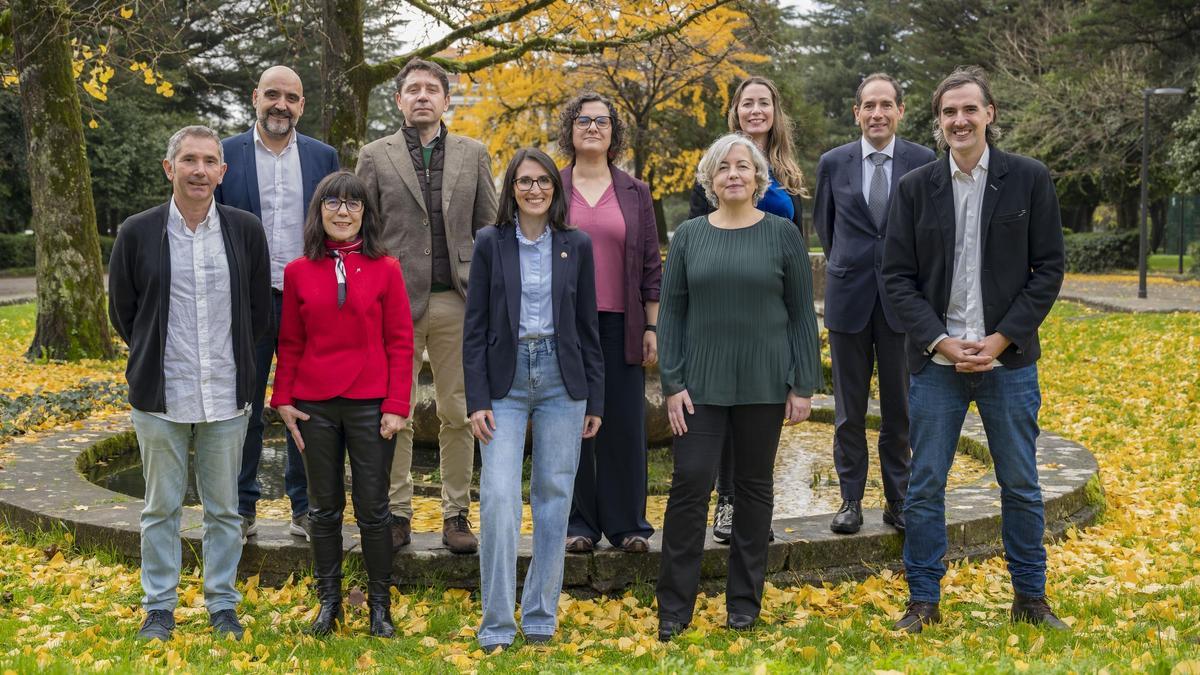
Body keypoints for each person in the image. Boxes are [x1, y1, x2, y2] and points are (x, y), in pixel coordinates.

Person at [882, 66, 1067, 633]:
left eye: (969, 109)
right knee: (925, 485)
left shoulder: (1028, 179)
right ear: (937, 123)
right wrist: (940, 340)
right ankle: (923, 602)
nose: (959, 120)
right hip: (937, 364)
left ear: (990, 114)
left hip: (1006, 361)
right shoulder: (915, 188)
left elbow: (1048, 269)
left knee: (1020, 482)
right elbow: (896, 278)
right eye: (948, 112)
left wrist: (1000, 337)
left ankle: (1031, 600)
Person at [108, 125, 271, 642]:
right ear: (169, 168)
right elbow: (124, 311)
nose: (199, 170)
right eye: (189, 160)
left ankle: (222, 603)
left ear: (223, 172)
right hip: (162, 393)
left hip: (226, 392)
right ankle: (159, 607)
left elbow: (258, 311)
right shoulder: (137, 231)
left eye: (210, 162)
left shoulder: (245, 230)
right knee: (161, 507)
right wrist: (153, 354)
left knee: (225, 509)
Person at [656, 134, 822, 642]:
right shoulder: (687, 236)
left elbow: (800, 314)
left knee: (753, 490)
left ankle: (744, 604)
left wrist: (803, 385)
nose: (733, 173)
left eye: (743, 166)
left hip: (764, 383)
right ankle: (674, 608)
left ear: (757, 178)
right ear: (710, 178)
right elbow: (672, 317)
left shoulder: (782, 234)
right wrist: (673, 383)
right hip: (700, 386)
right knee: (690, 485)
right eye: (723, 166)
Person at [463, 148, 604, 651]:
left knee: (553, 499)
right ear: (511, 189)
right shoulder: (489, 243)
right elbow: (474, 327)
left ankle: (540, 618)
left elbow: (588, 327)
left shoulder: (577, 244)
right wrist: (476, 397)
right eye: (524, 181)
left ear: (555, 188)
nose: (535, 189)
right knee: (500, 499)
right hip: (504, 380)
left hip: (562, 380)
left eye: (543, 180)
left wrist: (595, 399)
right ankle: (497, 624)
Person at [357, 58, 498, 555]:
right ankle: (397, 513)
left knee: (459, 411)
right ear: (398, 100)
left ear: (445, 99)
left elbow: (490, 230)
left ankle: (456, 514)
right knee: (395, 412)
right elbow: (363, 230)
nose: (422, 96)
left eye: (431, 89)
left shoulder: (473, 153)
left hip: (457, 302)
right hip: (392, 304)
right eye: (412, 89)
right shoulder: (374, 156)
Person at [270, 171, 414, 638]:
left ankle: (379, 606)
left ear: (365, 214)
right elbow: (290, 342)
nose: (343, 211)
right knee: (324, 510)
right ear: (319, 211)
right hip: (314, 406)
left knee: (374, 509)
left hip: (371, 403)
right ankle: (329, 603)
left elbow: (401, 341)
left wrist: (397, 404)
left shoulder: (386, 268)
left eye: (353, 204)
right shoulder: (297, 271)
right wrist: (283, 399)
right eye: (333, 202)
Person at [214, 65, 340, 543]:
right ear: (255, 98)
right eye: (272, 95)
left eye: (291, 97)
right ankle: (241, 508)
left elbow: (339, 222)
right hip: (245, 299)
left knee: (306, 406)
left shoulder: (323, 157)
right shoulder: (226, 155)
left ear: (302, 106)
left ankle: (304, 508)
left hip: (308, 298)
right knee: (242, 402)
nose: (281, 105)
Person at [813, 73, 936, 535]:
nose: (877, 113)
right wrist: (848, 265)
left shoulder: (923, 161)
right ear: (856, 112)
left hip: (902, 305)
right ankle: (849, 501)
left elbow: (929, 231)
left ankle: (897, 499)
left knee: (900, 409)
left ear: (901, 110)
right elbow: (827, 229)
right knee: (849, 411)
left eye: (887, 104)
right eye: (869, 105)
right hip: (849, 300)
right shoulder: (833, 162)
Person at [687, 76, 809, 544]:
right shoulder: (717, 165)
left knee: (760, 414)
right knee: (725, 404)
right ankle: (727, 507)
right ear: (735, 110)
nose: (755, 110)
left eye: (764, 103)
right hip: (723, 302)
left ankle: (756, 508)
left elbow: (799, 239)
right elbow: (701, 231)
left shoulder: (789, 173)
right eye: (747, 103)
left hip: (771, 301)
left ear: (775, 112)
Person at [556, 92, 662, 554]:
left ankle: (628, 526)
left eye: (602, 121)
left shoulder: (636, 192)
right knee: (573, 423)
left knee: (623, 425)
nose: (593, 127)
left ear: (614, 132)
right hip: (566, 326)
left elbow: (651, 266)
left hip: (623, 323)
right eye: (584, 120)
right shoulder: (552, 187)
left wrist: (652, 326)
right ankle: (578, 523)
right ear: (571, 130)